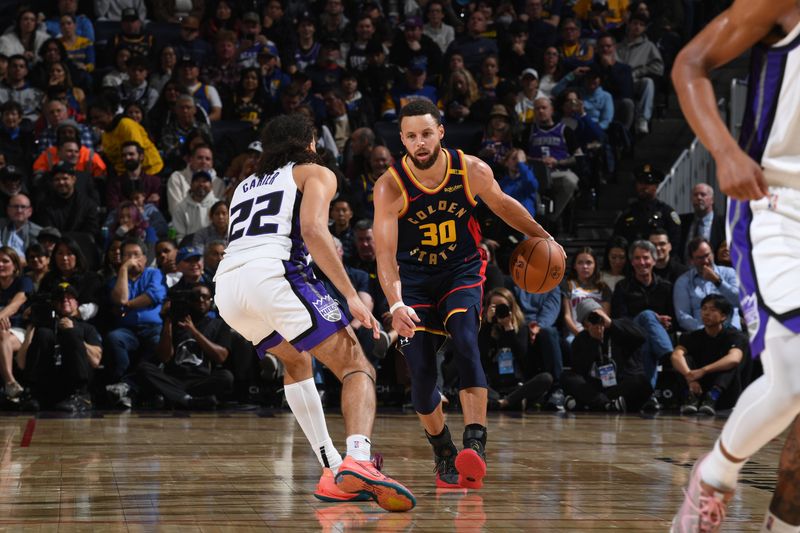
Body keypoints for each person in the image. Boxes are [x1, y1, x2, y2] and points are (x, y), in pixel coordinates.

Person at [213, 113, 415, 512]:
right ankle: (359, 459)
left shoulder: (242, 186)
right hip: (275, 274)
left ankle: (331, 467)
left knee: (296, 361)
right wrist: (351, 296)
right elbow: (313, 231)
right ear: (309, 144)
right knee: (357, 366)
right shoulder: (314, 172)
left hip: (228, 288)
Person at [372, 98, 561, 490]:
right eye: (411, 136)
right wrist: (395, 303)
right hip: (415, 280)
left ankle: (475, 442)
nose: (420, 142)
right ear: (402, 141)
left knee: (465, 340)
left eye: (426, 133)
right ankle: (443, 451)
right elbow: (385, 255)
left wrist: (542, 235)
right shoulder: (390, 186)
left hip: (461, 269)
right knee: (421, 376)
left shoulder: (469, 169)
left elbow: (504, 205)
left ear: (440, 132)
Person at [671, 3, 800, 529]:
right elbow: (690, 64)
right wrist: (724, 152)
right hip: (778, 203)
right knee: (795, 374)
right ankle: (714, 477)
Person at [17, 282, 102, 412]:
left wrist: (76, 335)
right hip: (50, 381)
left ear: (77, 303)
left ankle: (81, 396)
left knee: (71, 334)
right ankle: (33, 393)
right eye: (60, 298)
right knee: (44, 333)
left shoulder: (87, 328)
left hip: (73, 382)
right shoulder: (43, 328)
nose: (65, 300)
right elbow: (21, 363)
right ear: (54, 304)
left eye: (69, 297)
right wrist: (31, 328)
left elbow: (95, 361)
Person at [671, 295, 746, 417]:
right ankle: (692, 397)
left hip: (723, 393)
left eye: (712, 310)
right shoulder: (690, 336)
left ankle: (712, 396)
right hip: (696, 387)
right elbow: (676, 356)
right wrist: (690, 377)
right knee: (684, 359)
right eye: (704, 309)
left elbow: (734, 359)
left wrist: (703, 370)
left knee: (729, 363)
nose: (706, 313)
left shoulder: (734, 336)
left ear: (723, 316)